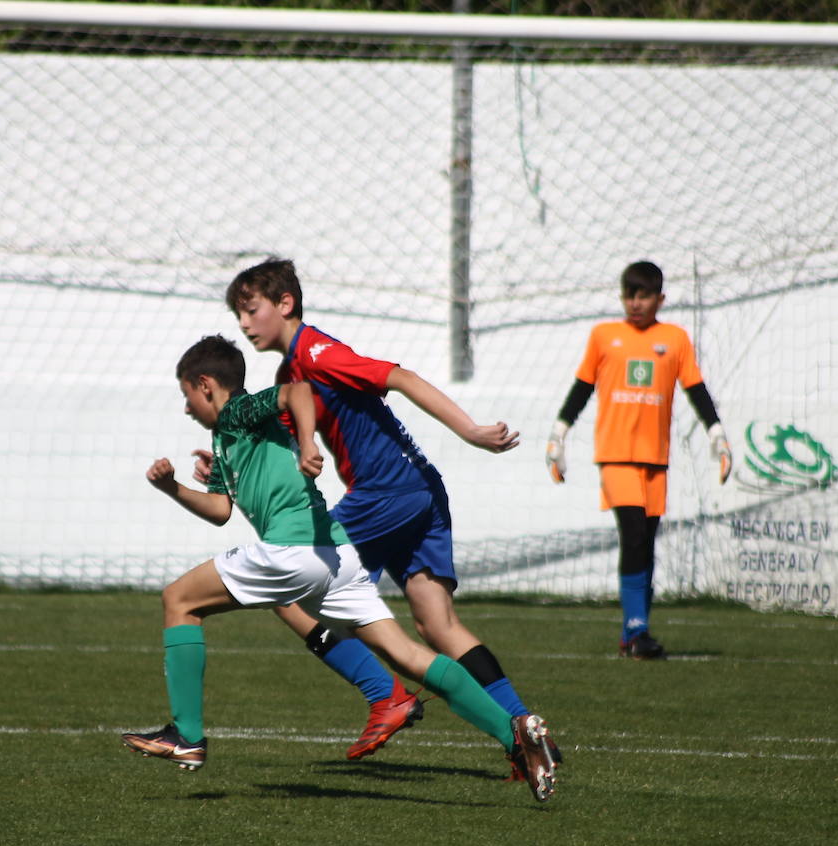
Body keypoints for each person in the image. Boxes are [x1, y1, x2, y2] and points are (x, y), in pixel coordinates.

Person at [122, 334, 557, 802]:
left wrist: (309, 444)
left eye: (186, 395)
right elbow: (222, 509)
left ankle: (186, 736)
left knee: (178, 600)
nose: (186, 409)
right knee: (406, 654)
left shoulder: (237, 411)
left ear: (205, 385)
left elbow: (298, 391)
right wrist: (173, 489)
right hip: (337, 556)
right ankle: (515, 735)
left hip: (293, 552)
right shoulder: (228, 435)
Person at [201, 258, 558, 774]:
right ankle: (525, 730)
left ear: (285, 304)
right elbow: (274, 445)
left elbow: (401, 377)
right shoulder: (290, 373)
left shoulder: (318, 353)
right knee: (436, 623)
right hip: (422, 489)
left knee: (285, 588)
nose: (244, 323)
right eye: (239, 314)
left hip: (386, 493)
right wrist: (230, 465)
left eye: (251, 309)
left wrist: (471, 431)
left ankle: (385, 695)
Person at [545, 261, 733, 659]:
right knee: (631, 534)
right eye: (629, 295)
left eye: (643, 295)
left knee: (645, 543)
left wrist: (716, 433)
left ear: (660, 298)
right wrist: (558, 434)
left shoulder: (675, 339)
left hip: (655, 460)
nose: (635, 303)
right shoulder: (604, 336)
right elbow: (582, 388)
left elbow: (695, 388)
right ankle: (637, 630)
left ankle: (633, 634)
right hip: (614, 456)